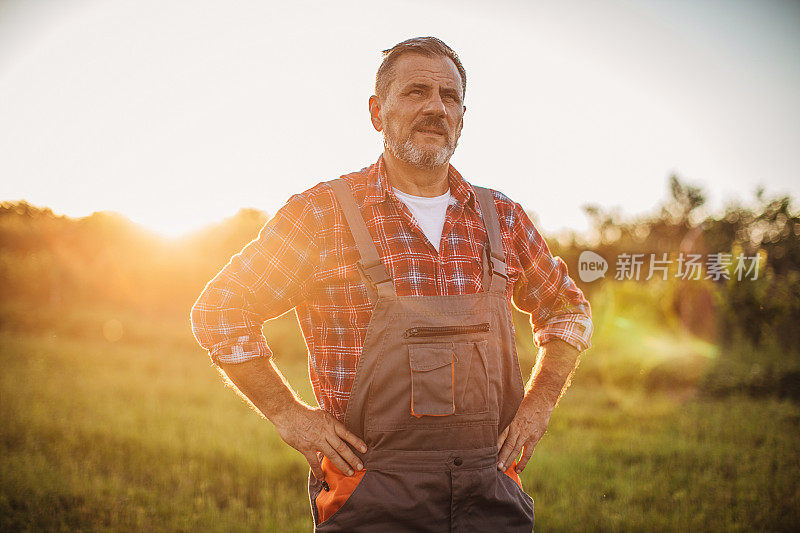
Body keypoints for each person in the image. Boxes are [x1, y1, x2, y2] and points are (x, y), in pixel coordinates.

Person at [191, 36, 593, 532]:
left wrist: (539, 405)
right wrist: (290, 416)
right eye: (416, 91)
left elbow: (567, 310)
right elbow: (220, 310)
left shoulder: (501, 218)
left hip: (488, 497)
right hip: (371, 495)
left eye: (449, 97)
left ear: (463, 117)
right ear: (376, 112)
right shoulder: (324, 214)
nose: (435, 107)